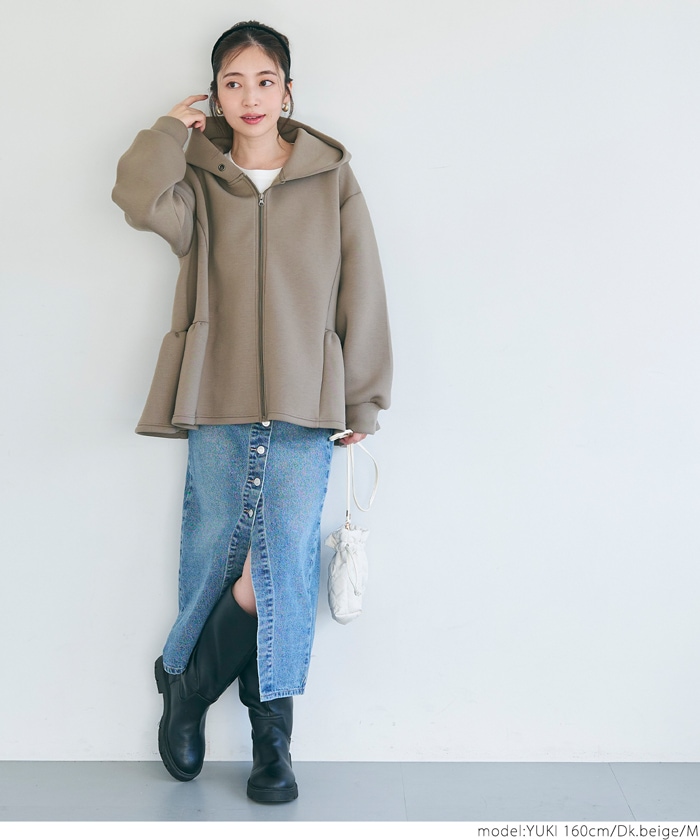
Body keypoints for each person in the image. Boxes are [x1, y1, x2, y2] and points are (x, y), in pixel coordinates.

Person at [112, 21, 392, 803]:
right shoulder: (197, 179)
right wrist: (171, 131)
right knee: (214, 556)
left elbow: (363, 287)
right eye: (233, 83)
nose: (250, 97)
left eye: (264, 81)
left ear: (288, 92)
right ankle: (195, 689)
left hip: (308, 401)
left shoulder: (332, 177)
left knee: (283, 565)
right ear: (215, 95)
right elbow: (136, 199)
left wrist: (363, 394)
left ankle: (221, 707)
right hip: (217, 393)